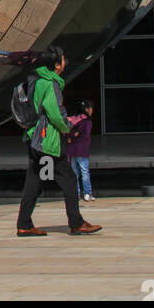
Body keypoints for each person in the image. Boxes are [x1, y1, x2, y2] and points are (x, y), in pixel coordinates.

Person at [15, 45, 101, 237]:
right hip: (47, 142)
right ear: (56, 65)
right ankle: (76, 223)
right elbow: (55, 113)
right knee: (69, 179)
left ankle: (24, 224)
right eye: (63, 59)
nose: (65, 62)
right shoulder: (50, 83)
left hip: (34, 139)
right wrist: (67, 126)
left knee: (35, 181)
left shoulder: (36, 80)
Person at [66, 99, 96, 203]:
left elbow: (67, 132)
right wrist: (75, 135)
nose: (91, 110)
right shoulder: (87, 121)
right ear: (86, 109)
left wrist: (72, 137)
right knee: (84, 172)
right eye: (89, 108)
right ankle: (87, 193)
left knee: (74, 173)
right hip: (82, 149)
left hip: (71, 149)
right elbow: (85, 135)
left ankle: (76, 193)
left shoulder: (73, 119)